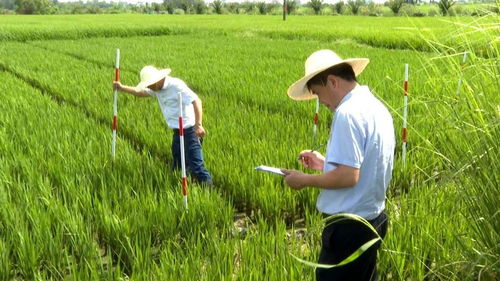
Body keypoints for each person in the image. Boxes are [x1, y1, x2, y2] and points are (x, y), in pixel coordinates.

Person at [282, 50, 395, 280]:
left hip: (349, 228)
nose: (320, 101)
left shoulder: (347, 113)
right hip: (374, 219)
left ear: (332, 82)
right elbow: (365, 168)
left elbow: (348, 177)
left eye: (317, 93)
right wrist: (325, 164)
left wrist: (303, 180)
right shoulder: (376, 107)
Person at [113, 65, 213, 185]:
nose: (149, 87)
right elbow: (139, 92)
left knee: (196, 166)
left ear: (157, 80)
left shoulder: (176, 85)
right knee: (177, 164)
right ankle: (181, 186)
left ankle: (209, 191)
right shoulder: (156, 88)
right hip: (177, 132)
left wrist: (199, 125)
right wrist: (122, 87)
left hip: (191, 131)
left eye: (150, 84)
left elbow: (196, 101)